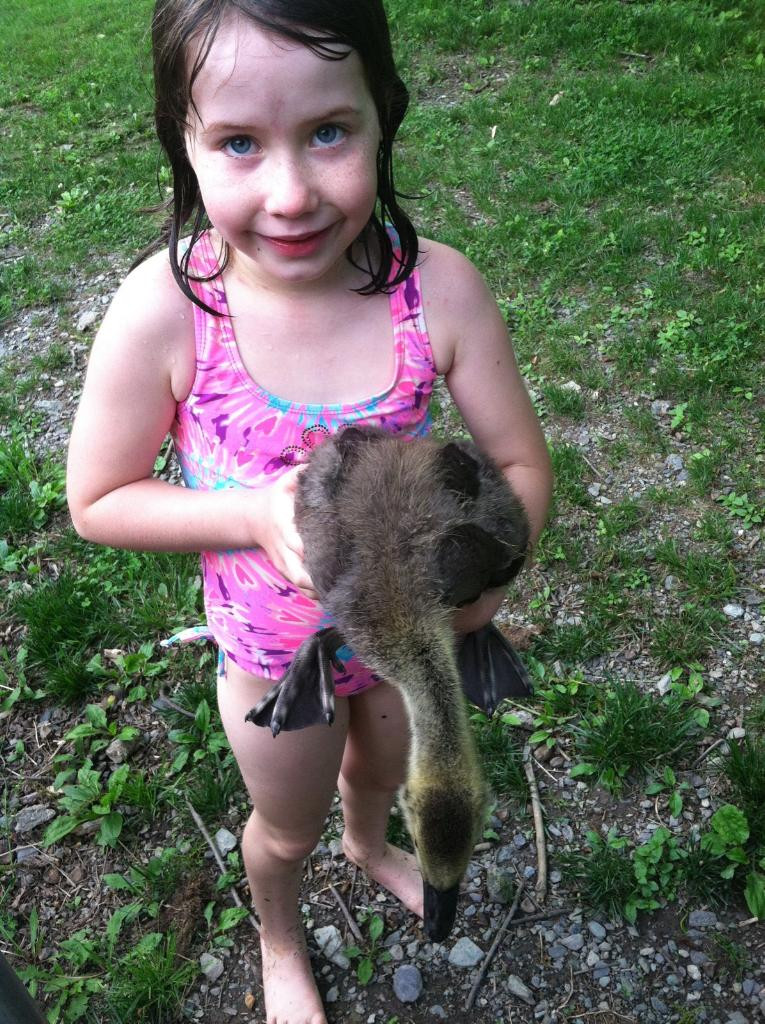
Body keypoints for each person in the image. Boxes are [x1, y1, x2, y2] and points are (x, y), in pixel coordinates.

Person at [66, 1, 553, 1021]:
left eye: (328, 131)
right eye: (240, 143)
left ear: (383, 119)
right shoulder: (166, 311)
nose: (290, 193)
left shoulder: (440, 296)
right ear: (185, 146)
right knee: (280, 823)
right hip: (270, 655)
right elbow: (98, 500)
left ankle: (368, 842)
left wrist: (479, 594)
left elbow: (516, 460)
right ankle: (280, 930)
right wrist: (248, 515)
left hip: (407, 639)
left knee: (379, 768)